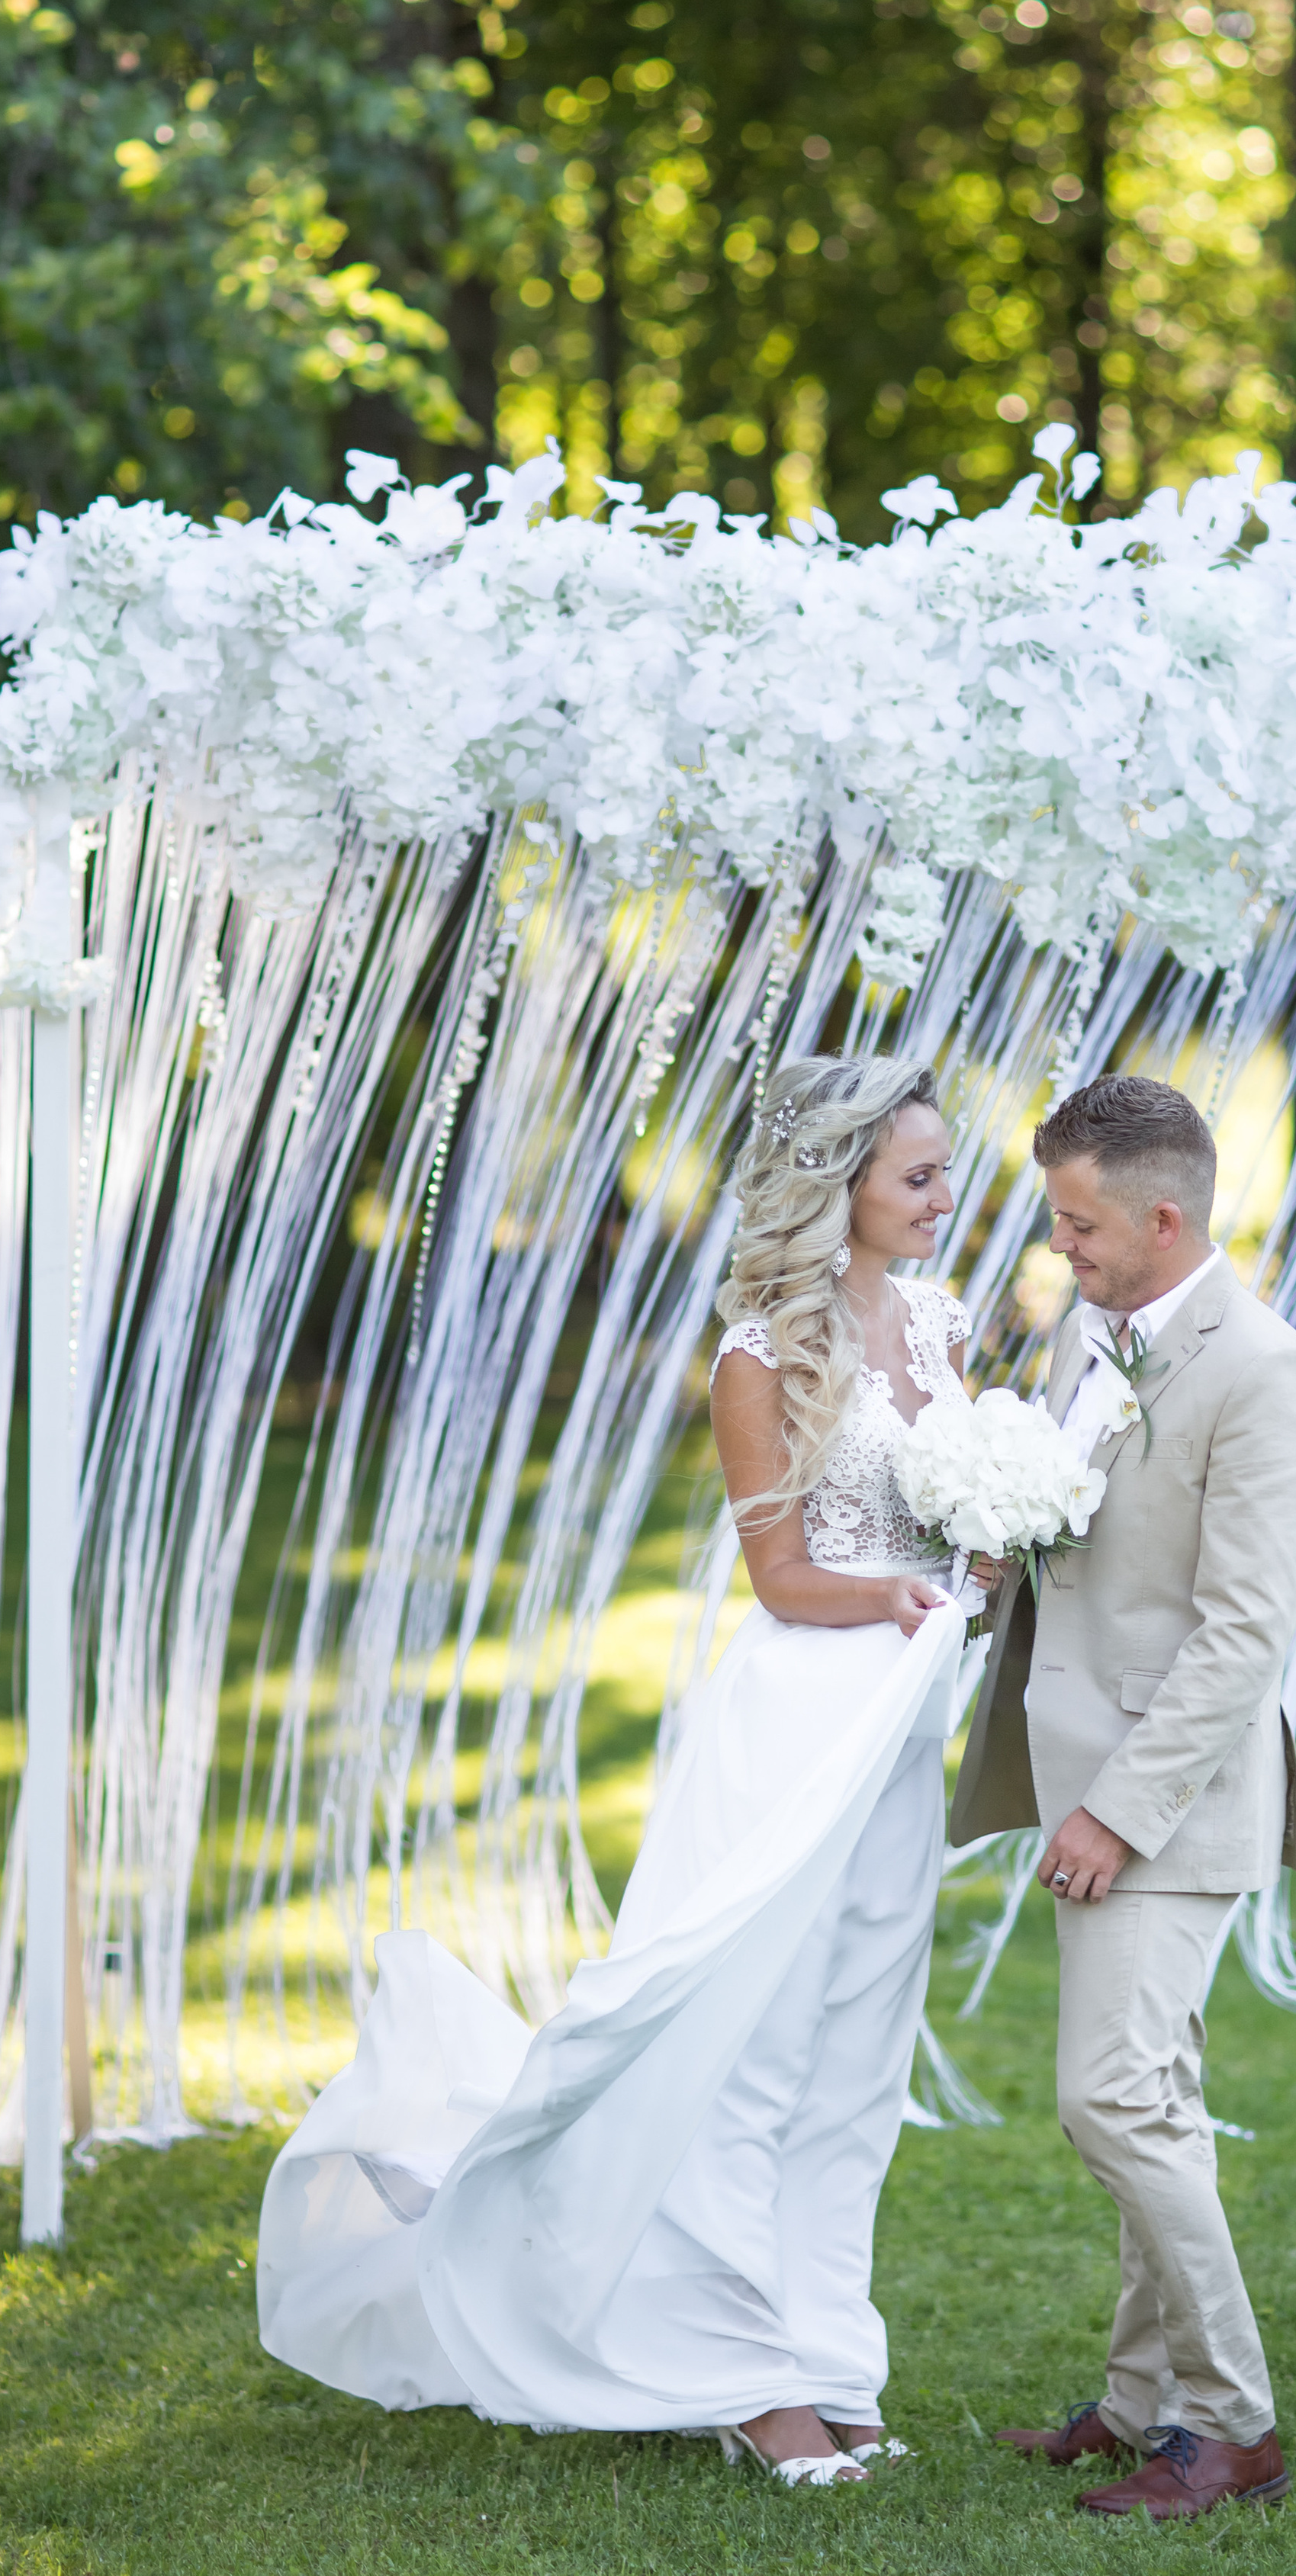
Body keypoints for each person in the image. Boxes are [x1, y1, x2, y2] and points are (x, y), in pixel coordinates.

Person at [257, 1054, 987, 2487]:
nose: (946, 1198)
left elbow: (944, 1513)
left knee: (857, 2058)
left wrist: (988, 1558)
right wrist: (900, 1596)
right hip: (799, 1725)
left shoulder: (940, 1322)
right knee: (751, 2050)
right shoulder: (757, 1357)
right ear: (838, 1184)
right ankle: (745, 2378)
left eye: (945, 1170)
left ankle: (828, 2355)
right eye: (919, 1175)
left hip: (904, 1730)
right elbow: (782, 1575)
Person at [951, 1071, 1296, 2523]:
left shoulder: (1268, 1375)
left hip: (1165, 1801)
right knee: (1151, 2096)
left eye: (1079, 1225)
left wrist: (1116, 1811)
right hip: (1079, 1764)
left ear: (1163, 1219)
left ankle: (1233, 2428)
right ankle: (1138, 2406)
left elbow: (1243, 1637)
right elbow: (1097, 1542)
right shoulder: (1093, 1335)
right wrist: (999, 1549)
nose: (1060, 1247)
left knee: (1111, 2098)